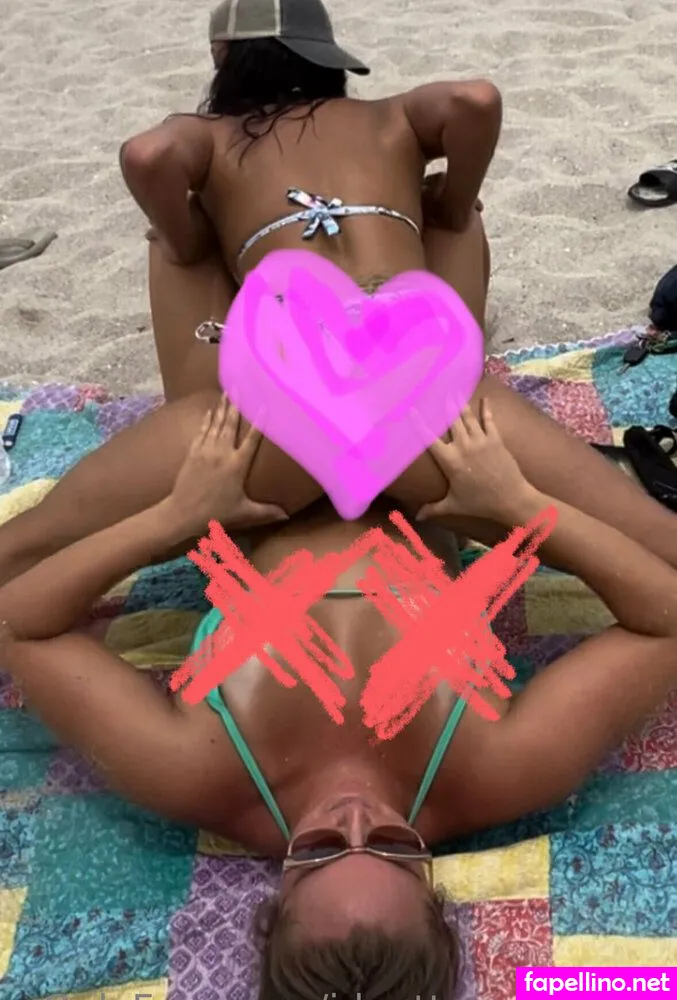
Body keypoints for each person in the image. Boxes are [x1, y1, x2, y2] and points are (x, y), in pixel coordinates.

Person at [2, 398, 677, 1000]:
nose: (355, 814)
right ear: (434, 889)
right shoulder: (494, 769)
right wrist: (521, 510)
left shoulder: (195, 770)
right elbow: (664, 620)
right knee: (405, 397)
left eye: (320, 847)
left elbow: (20, 624)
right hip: (420, 482)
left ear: (273, 903)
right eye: (391, 843)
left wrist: (170, 520)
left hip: (262, 487)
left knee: (326, 393)